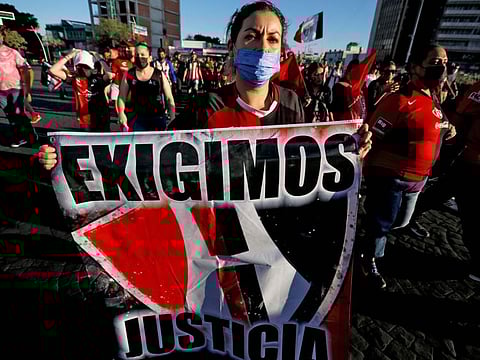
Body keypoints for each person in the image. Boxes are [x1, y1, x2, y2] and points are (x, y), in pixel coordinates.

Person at [360, 44, 456, 289]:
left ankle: (369, 233)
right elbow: (372, 135)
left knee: (400, 222)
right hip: (390, 176)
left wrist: (447, 128)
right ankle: (368, 257)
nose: (442, 68)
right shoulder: (398, 100)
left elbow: (436, 123)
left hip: (419, 179)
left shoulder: (432, 99)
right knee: (382, 222)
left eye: (445, 62)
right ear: (415, 68)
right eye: (435, 62)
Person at [450, 80, 480, 282]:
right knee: (472, 216)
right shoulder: (477, 89)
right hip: (471, 162)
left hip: (470, 163)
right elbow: (459, 120)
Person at [49, 49, 113, 132]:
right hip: (84, 115)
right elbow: (52, 70)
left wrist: (99, 58)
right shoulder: (75, 79)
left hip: (101, 112)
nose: (83, 69)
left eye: (86, 67)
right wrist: (69, 56)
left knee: (104, 138)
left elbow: (110, 75)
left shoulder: (98, 78)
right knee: (88, 139)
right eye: (79, 66)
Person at [117, 42, 175, 132]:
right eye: (137, 55)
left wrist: (172, 118)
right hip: (138, 119)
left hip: (157, 118)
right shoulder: (129, 74)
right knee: (141, 145)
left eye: (143, 54)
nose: (140, 57)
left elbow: (169, 98)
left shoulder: (159, 74)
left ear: (150, 57)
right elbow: (121, 97)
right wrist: (121, 113)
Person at [0, 26, 36, 147]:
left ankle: (28, 136)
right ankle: (22, 137)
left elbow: (26, 69)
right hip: (0, 91)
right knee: (10, 115)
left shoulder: (12, 52)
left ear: (2, 37)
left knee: (18, 113)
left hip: (15, 89)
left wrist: (27, 90)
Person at [110, 44, 134, 113]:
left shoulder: (130, 62)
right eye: (122, 49)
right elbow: (113, 73)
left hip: (127, 85)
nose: (124, 51)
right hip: (117, 84)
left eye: (125, 49)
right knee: (116, 100)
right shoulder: (115, 61)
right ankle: (118, 114)